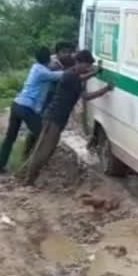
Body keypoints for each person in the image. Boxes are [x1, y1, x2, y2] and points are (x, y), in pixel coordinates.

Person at [22, 50, 114, 186]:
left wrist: (94, 73)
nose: (87, 68)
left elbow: (80, 78)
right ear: (79, 62)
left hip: (54, 118)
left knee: (43, 148)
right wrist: (106, 89)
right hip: (54, 119)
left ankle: (26, 176)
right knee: (44, 150)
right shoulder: (72, 77)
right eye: (87, 65)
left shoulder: (71, 73)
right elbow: (86, 97)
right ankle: (28, 180)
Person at [0, 46, 65, 174]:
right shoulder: (44, 73)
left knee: (10, 138)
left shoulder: (36, 67)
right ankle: (32, 165)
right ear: (48, 58)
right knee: (42, 135)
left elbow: (52, 66)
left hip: (17, 104)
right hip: (27, 108)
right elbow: (63, 75)